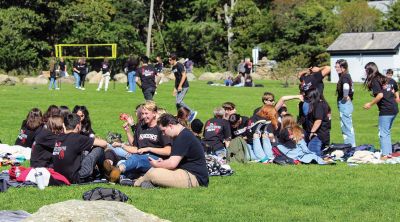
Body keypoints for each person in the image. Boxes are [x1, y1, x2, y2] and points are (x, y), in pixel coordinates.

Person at [133, 113, 209, 188]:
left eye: (163, 130)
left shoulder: (183, 137)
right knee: (154, 170)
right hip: (184, 172)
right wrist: (162, 162)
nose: (163, 134)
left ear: (170, 126)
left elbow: (172, 164)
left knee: (153, 173)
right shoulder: (181, 135)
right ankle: (149, 183)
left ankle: (135, 183)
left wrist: (156, 164)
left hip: (194, 177)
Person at [105, 101, 172, 182]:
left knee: (135, 159)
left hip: (155, 159)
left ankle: (116, 170)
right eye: (143, 113)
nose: (144, 116)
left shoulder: (160, 128)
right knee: (120, 155)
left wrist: (149, 149)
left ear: (154, 113)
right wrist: (121, 145)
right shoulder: (141, 127)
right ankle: (118, 174)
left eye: (146, 113)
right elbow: (136, 148)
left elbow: (168, 151)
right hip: (138, 157)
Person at [52, 113, 107, 184]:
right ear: (78, 126)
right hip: (76, 177)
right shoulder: (77, 138)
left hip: (59, 176)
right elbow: (104, 143)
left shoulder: (58, 138)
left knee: (83, 152)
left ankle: (97, 173)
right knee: (98, 149)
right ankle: (104, 174)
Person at [363, 62, 398, 159]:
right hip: (394, 108)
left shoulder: (374, 80)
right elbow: (393, 90)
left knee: (383, 133)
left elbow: (380, 95)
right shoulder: (384, 78)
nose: (365, 73)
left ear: (370, 70)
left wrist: (370, 104)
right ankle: (388, 153)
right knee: (387, 132)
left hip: (386, 109)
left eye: (366, 71)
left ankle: (386, 154)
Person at [299, 88, 331, 157]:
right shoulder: (316, 104)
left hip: (319, 135)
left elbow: (318, 120)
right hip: (314, 134)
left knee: (313, 153)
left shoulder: (319, 105)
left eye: (308, 98)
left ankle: (327, 153)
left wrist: (312, 132)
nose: (307, 100)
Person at [169, 53, 197, 122]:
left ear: (174, 59)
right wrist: (175, 88)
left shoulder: (179, 65)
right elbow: (176, 78)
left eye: (170, 60)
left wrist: (180, 85)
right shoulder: (173, 67)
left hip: (184, 86)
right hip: (179, 86)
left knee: (179, 101)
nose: (169, 61)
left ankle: (192, 112)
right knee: (177, 103)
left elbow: (184, 76)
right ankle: (180, 116)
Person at [335, 59, 356, 147]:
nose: (336, 69)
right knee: (345, 126)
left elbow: (346, 86)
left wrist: (345, 96)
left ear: (343, 68)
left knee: (347, 127)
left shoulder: (344, 76)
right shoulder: (346, 76)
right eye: (335, 67)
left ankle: (351, 147)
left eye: (337, 67)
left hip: (345, 104)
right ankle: (348, 146)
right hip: (346, 104)